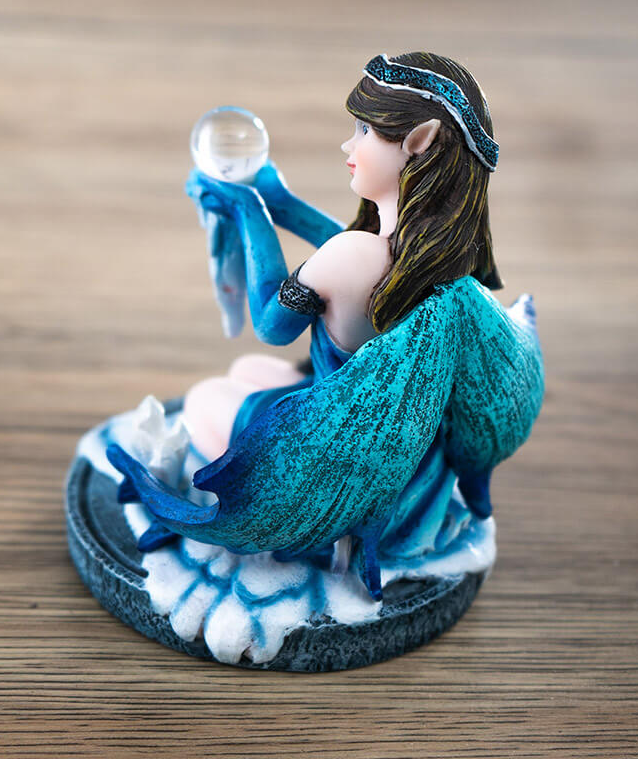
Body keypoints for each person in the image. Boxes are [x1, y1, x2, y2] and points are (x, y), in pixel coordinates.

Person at [107, 52, 543, 600]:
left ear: (418, 141)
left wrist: (249, 212)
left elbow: (271, 322)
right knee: (248, 372)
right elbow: (352, 250)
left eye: (365, 130)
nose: (349, 145)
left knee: (205, 399)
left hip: (348, 447)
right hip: (403, 446)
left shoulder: (353, 256)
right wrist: (281, 202)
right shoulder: (442, 262)